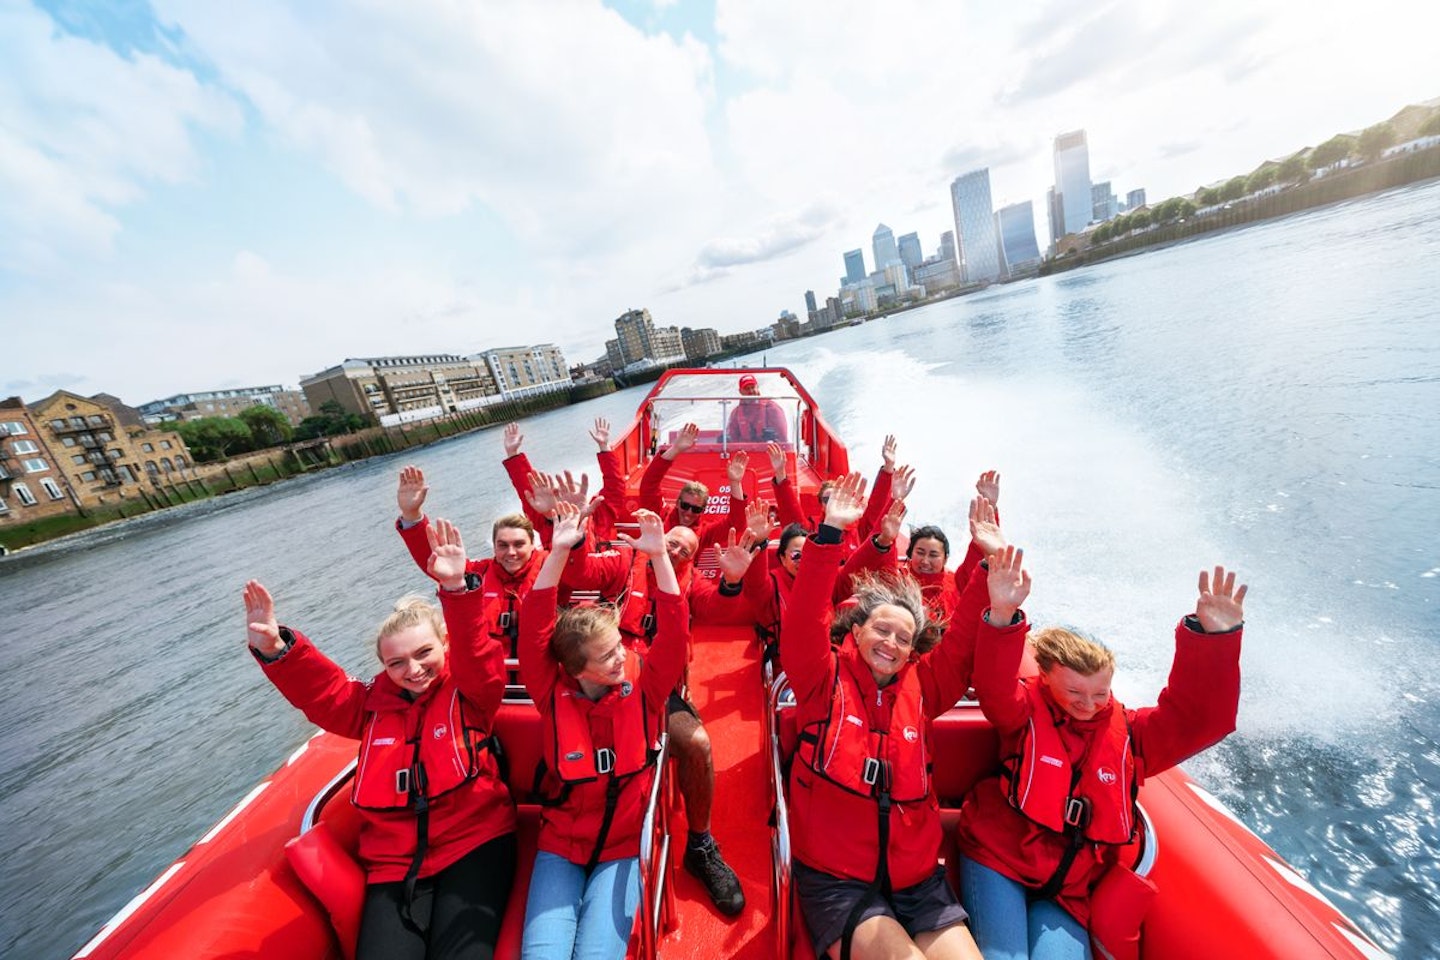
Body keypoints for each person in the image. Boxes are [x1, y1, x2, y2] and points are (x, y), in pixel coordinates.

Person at [243, 518, 516, 960]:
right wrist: (277, 649)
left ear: (444, 645)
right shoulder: (369, 707)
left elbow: (479, 655)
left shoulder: (470, 693)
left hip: (476, 842)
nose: (413, 670)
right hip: (394, 863)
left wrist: (455, 591)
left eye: (424, 653)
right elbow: (324, 691)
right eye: (397, 662)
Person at [956, 547, 1247, 960]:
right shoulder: (1023, 710)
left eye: (1099, 693)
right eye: (1074, 692)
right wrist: (1002, 614)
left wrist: (1213, 638)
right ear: (1047, 678)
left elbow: (1200, 720)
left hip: (1069, 889)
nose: (1088, 704)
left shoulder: (1130, 733)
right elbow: (993, 686)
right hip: (1000, 860)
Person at [780, 472, 984, 960]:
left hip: (917, 879)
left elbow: (959, 650)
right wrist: (829, 534)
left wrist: (986, 563)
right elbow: (806, 611)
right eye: (882, 630)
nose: (890, 644)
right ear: (857, 629)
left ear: (914, 651)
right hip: (838, 881)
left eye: (903, 638)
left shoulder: (925, 688)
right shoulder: (819, 678)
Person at [517, 503, 690, 959]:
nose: (620, 658)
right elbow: (535, 625)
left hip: (623, 845)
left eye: (619, 648)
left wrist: (659, 558)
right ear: (575, 669)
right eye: (607, 655)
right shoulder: (549, 690)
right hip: (560, 844)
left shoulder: (646, 687)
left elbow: (674, 632)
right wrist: (556, 551)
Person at [395, 465, 546, 657]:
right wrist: (411, 515)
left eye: (519, 544)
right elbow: (437, 563)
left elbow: (577, 563)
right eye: (502, 545)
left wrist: (550, 515)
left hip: (540, 671)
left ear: (533, 545)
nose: (511, 552)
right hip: (490, 672)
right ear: (494, 547)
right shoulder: (478, 573)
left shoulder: (549, 567)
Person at [725, 374, 788, 443]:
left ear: (757, 387)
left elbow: (783, 439)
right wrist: (726, 440)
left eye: (753, 387)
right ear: (741, 391)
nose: (751, 391)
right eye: (747, 388)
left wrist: (773, 438)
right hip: (745, 451)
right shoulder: (736, 413)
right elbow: (732, 438)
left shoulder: (771, 408)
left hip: (766, 451)